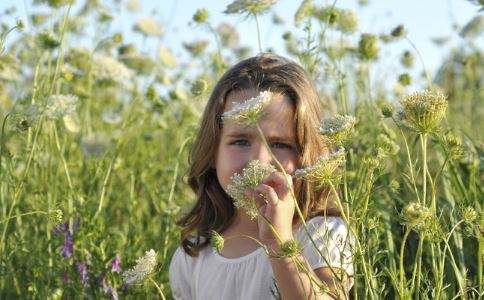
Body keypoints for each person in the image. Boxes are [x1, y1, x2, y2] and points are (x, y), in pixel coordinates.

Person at [169, 53, 354, 299]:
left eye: (280, 144)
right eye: (241, 141)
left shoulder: (323, 233)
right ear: (213, 152)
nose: (258, 160)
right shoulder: (195, 252)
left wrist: (280, 243)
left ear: (306, 155)